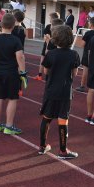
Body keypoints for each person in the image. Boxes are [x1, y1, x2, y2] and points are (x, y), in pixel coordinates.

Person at [38, 24, 79, 158]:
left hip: (51, 90)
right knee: (63, 119)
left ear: (55, 38)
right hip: (65, 91)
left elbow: (45, 71)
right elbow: (75, 73)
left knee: (47, 118)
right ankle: (63, 150)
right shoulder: (74, 54)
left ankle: (42, 146)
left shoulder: (50, 53)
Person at [75, 17, 94, 93]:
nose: (88, 23)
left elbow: (82, 44)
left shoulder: (88, 33)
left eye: (88, 22)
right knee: (93, 71)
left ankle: (82, 86)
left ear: (91, 24)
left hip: (86, 54)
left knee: (85, 71)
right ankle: (93, 86)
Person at [37, 12, 59, 80]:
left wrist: (49, 39)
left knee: (44, 59)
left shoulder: (50, 26)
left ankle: (41, 75)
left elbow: (45, 38)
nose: (49, 19)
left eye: (50, 18)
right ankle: (41, 75)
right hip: (54, 45)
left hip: (49, 45)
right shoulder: (60, 27)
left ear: (52, 18)